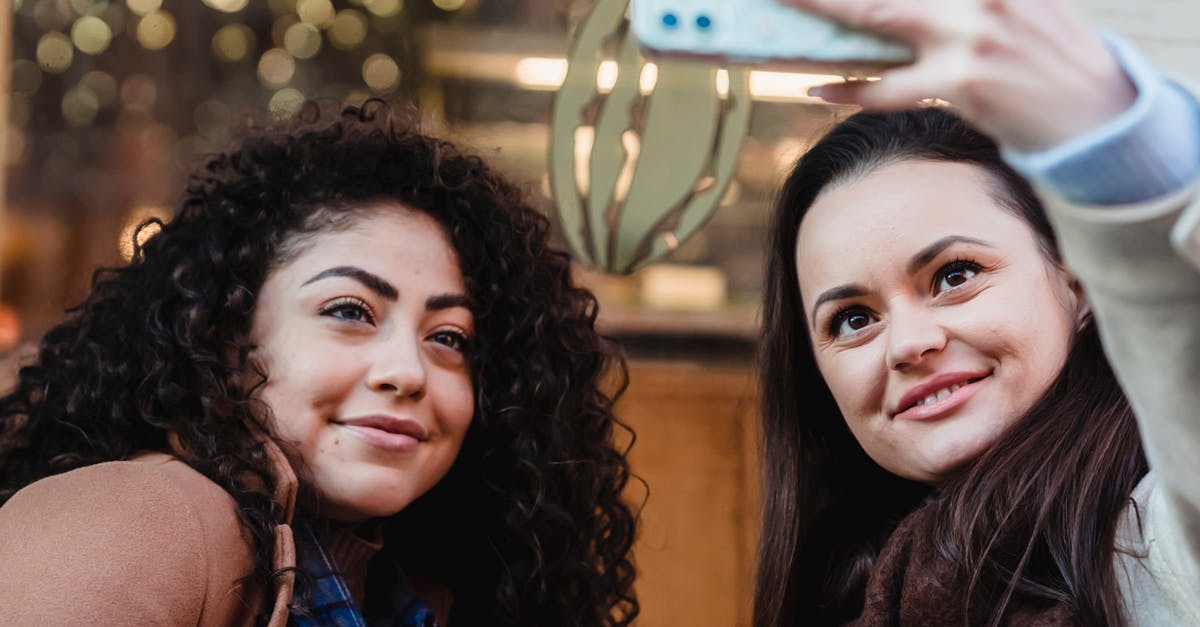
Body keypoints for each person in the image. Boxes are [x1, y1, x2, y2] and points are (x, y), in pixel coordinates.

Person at [0, 100, 639, 626]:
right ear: (224, 335)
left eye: (449, 337)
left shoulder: (409, 589)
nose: (409, 372)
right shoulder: (133, 523)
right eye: (350, 311)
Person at [755, 0, 1200, 624]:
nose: (908, 343)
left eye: (954, 276)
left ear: (1078, 282)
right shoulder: (866, 590)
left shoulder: (1165, 536)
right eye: (853, 319)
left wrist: (1109, 139)